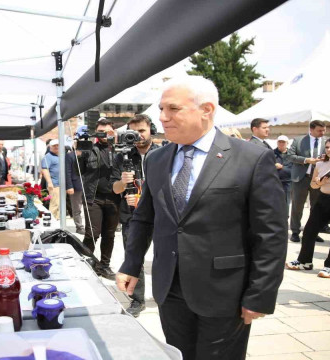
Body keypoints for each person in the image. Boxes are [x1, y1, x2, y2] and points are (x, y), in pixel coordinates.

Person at [116, 76, 287, 359]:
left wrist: (260, 294)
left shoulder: (252, 159)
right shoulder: (157, 160)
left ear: (206, 109)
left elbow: (271, 234)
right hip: (169, 287)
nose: (162, 117)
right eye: (161, 109)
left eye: (173, 109)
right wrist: (131, 263)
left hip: (225, 292)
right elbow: (145, 218)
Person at [111, 114, 159, 317]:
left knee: (166, 256)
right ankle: (137, 300)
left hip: (161, 214)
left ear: (151, 131)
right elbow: (114, 189)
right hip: (131, 214)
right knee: (133, 256)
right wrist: (123, 182)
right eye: (133, 131)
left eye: (142, 131)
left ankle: (166, 294)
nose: (138, 136)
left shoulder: (164, 153)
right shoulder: (122, 155)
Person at [286, 137, 330, 278]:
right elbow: (313, 184)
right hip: (323, 199)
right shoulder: (321, 163)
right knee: (309, 230)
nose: (329, 150)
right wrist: (320, 182)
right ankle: (304, 261)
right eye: (327, 147)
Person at [77, 118, 121, 280]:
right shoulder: (90, 149)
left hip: (115, 198)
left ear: (113, 132)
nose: (104, 135)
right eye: (101, 132)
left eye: (108, 131)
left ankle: (104, 266)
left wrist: (116, 142)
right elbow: (78, 170)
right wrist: (80, 152)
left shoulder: (120, 149)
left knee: (109, 234)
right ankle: (85, 262)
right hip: (93, 197)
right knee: (92, 233)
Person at [287, 120, 327, 243]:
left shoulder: (326, 142)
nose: (322, 133)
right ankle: (295, 231)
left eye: (324, 130)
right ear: (311, 129)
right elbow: (290, 156)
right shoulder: (298, 140)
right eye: (319, 130)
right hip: (301, 178)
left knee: (316, 208)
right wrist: (306, 160)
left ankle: (313, 232)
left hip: (318, 179)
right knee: (297, 206)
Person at [66, 146, 84, 235]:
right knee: (76, 208)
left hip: (88, 185)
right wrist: (69, 186)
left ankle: (89, 226)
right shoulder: (70, 156)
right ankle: (79, 227)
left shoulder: (89, 153)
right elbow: (67, 171)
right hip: (75, 185)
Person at [41, 139, 61, 219]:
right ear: (50, 147)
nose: (56, 147)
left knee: (60, 205)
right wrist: (49, 183)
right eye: (54, 146)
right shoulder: (48, 157)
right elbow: (45, 170)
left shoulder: (61, 155)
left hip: (61, 184)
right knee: (55, 204)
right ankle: (51, 222)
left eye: (57, 145)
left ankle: (58, 222)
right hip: (54, 184)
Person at [274, 135, 293, 214]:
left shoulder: (292, 154)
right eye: (280, 142)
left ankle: (285, 217)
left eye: (283, 142)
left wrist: (281, 167)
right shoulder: (271, 153)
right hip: (274, 181)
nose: (281, 144)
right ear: (277, 143)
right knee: (274, 201)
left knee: (285, 201)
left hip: (287, 182)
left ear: (287, 143)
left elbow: (293, 169)